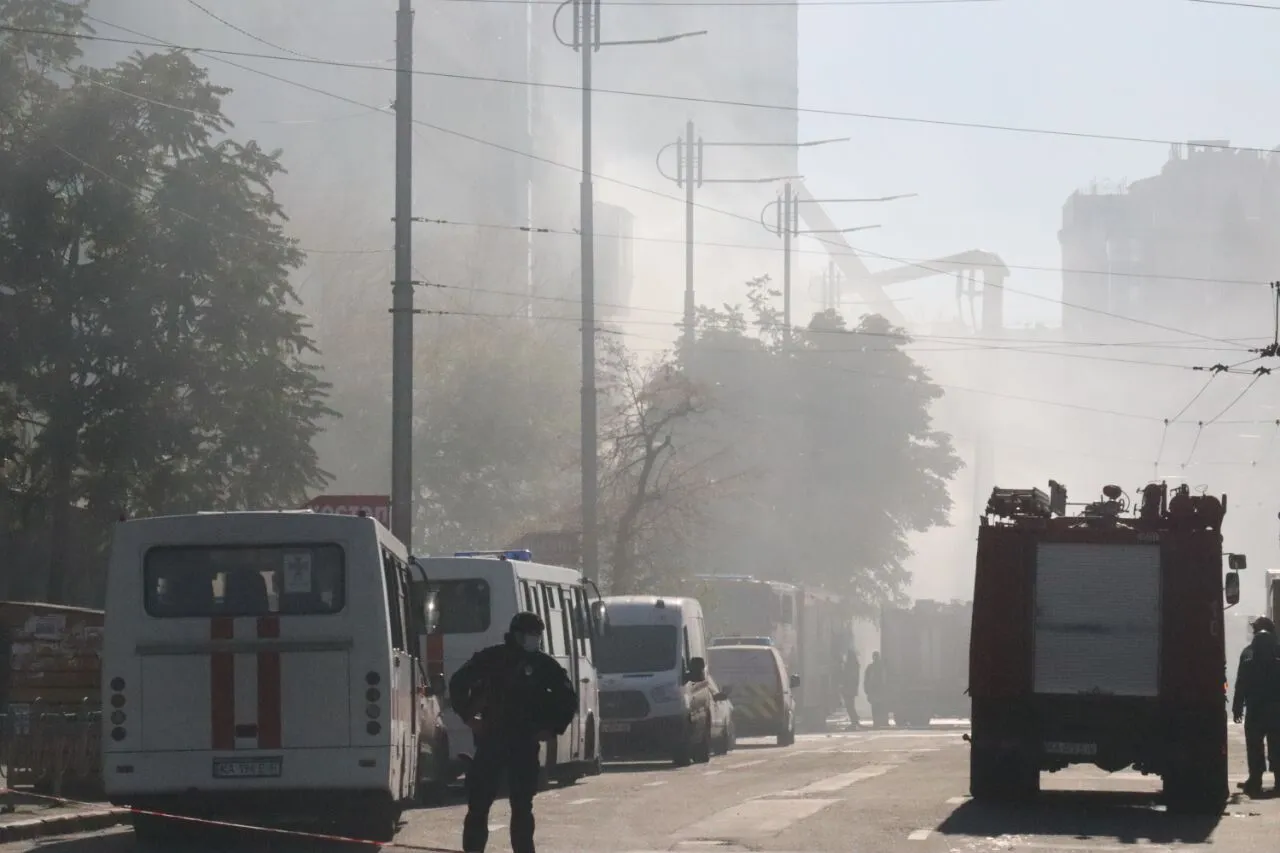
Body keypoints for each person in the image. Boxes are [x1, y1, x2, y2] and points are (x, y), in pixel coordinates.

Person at [449, 611, 578, 853]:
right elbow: (458, 683)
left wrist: (552, 728)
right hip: (492, 741)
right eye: (531, 635)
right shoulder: (492, 658)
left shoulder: (543, 664)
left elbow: (568, 699)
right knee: (478, 807)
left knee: (522, 809)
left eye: (538, 636)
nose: (535, 640)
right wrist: (469, 717)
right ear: (517, 635)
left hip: (524, 743)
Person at [1233, 616, 1280, 795]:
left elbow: (1241, 682)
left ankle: (1255, 780)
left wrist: (1238, 706)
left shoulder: (1248, 653)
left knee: (1254, 746)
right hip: (1276, 710)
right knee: (1277, 745)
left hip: (1255, 709)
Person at [864, 651, 887, 728]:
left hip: (876, 690)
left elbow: (866, 680)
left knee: (876, 707)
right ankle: (878, 722)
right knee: (878, 707)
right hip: (877, 690)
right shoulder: (880, 667)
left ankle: (877, 722)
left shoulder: (871, 667)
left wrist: (866, 689)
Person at [841, 648, 861, 730]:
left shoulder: (850, 665)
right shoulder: (854, 665)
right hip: (851, 688)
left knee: (849, 706)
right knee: (850, 705)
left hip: (848, 688)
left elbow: (848, 677)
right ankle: (855, 720)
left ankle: (854, 721)